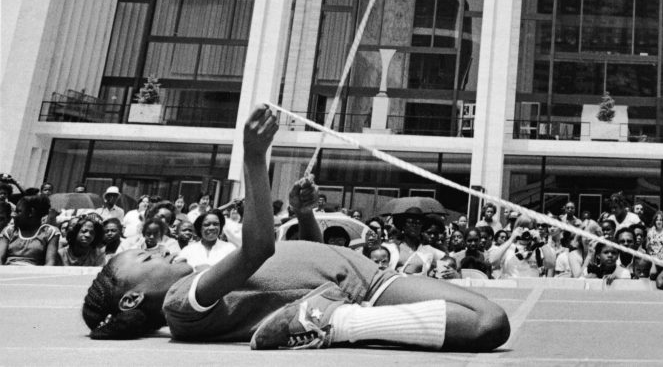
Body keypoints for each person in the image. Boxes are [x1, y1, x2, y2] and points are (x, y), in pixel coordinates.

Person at [81, 105, 509, 351]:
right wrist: (253, 157)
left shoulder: (195, 284)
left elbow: (299, 267)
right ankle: (338, 325)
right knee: (489, 323)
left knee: (488, 318)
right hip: (360, 288)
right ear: (133, 297)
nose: (157, 252)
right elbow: (258, 250)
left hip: (352, 278)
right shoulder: (179, 306)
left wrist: (305, 216)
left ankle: (329, 319)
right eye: (144, 257)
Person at [0, 193, 62, 265]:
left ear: (31, 212)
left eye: (18, 211)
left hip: (34, 274)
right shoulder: (9, 231)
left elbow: (50, 263)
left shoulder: (49, 232)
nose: (13, 215)